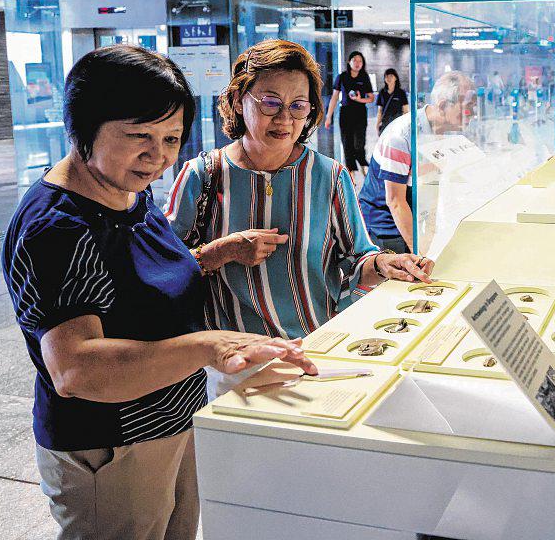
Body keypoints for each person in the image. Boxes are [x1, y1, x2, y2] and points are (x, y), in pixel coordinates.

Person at [2, 45, 315, 540]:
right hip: (114, 444)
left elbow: (141, 283)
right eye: (138, 136)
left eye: (172, 138)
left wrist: (218, 252)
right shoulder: (60, 226)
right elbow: (75, 367)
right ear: (82, 126)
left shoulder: (127, 190)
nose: (159, 155)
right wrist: (210, 346)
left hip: (171, 419)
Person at [166, 40, 432, 357]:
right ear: (238, 100)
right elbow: (167, 270)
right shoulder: (202, 176)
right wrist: (222, 250)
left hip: (320, 350)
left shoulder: (329, 175)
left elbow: (356, 260)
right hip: (235, 362)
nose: (285, 119)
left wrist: (386, 263)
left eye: (298, 105)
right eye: (270, 102)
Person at [358, 71, 475, 254]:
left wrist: (429, 235)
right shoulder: (402, 136)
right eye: (468, 107)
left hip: (409, 217)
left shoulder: (438, 133)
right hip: (386, 226)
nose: (473, 114)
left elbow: (431, 184)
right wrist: (417, 251)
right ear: (443, 105)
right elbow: (395, 201)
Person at [324, 50, 374, 185]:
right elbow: (334, 97)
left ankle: (364, 167)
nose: (358, 63)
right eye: (355, 60)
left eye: (360, 61)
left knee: (359, 144)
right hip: (345, 114)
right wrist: (328, 117)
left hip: (360, 114)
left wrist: (359, 99)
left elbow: (371, 98)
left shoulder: (364, 77)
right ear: (349, 62)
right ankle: (351, 178)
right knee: (347, 145)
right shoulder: (342, 77)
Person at [375, 67, 408, 135]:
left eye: (391, 76)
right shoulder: (382, 92)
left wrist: (405, 124)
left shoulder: (401, 92)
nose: (388, 78)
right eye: (386, 76)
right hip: (385, 123)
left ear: (396, 78)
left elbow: (405, 110)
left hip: (397, 123)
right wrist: (378, 123)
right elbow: (380, 110)